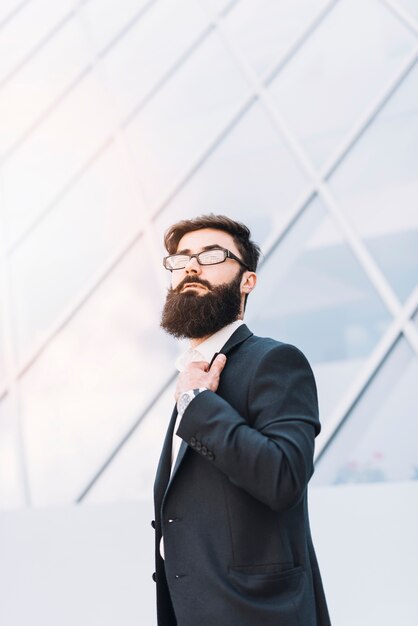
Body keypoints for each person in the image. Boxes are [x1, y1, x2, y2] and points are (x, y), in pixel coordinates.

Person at [152, 214, 331, 626]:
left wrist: (198, 404)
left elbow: (283, 477)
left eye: (212, 255)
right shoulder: (191, 373)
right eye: (181, 260)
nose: (192, 266)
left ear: (247, 281)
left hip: (256, 613)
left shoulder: (274, 361)